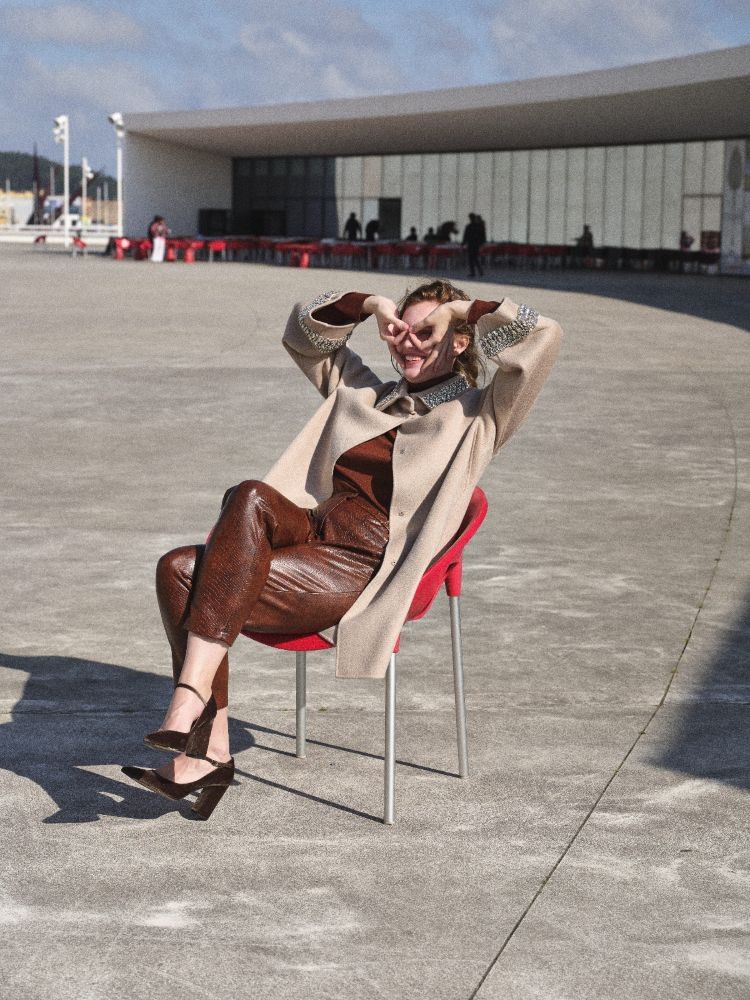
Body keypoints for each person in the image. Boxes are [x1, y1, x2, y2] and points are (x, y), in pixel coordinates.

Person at [121, 281, 563, 818]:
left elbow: (543, 336)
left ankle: (199, 733)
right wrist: (370, 306)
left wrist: (462, 309)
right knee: (231, 513)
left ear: (460, 341)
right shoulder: (362, 394)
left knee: (187, 573)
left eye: (427, 332)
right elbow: (301, 333)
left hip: (364, 568)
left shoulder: (481, 416)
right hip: (309, 534)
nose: (409, 343)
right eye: (401, 332)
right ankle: (205, 734)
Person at [462, 213, 485, 278]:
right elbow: (483, 235)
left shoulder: (469, 226)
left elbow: (466, 235)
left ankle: (473, 272)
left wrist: (463, 243)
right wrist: (482, 243)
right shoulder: (479, 226)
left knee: (471, 258)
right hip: (476, 244)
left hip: (471, 244)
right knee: (475, 258)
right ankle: (479, 271)